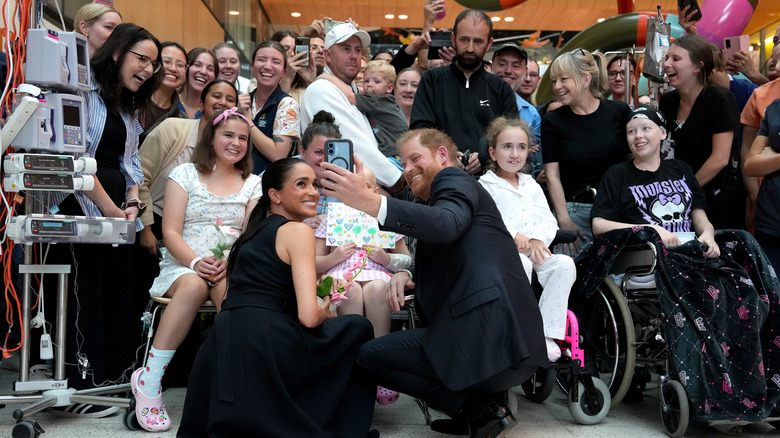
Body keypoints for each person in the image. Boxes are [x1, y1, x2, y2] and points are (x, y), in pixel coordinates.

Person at [320, 128, 547, 438]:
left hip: (488, 338)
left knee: (369, 356)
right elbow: (451, 245)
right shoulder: (444, 199)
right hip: (503, 342)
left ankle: (477, 409)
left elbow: (447, 225)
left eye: (416, 159)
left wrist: (371, 203)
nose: (409, 169)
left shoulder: (452, 180)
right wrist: (405, 275)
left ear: (442, 155)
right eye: (404, 164)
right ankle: (477, 410)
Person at [178, 158, 376, 437]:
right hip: (266, 340)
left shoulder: (250, 235)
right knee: (358, 328)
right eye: (301, 184)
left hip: (221, 342)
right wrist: (326, 310)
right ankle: (336, 423)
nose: (313, 192)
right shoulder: (298, 230)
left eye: (315, 184)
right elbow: (308, 317)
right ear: (275, 195)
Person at [45, 23, 161, 414]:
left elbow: (131, 164)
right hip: (77, 201)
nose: (147, 69)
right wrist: (111, 210)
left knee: (117, 291)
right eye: (141, 58)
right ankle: (82, 385)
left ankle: (112, 381)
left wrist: (131, 204)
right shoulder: (78, 89)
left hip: (115, 205)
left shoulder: (128, 104)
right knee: (84, 293)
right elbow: (73, 156)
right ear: (116, 53)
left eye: (153, 64)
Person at [131, 108, 261, 432]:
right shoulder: (184, 174)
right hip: (184, 261)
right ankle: (150, 380)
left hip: (229, 263)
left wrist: (228, 261)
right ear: (211, 138)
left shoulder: (254, 183)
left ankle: (231, 385)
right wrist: (194, 262)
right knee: (193, 286)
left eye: (243, 138)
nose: (236, 142)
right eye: (228, 135)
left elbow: (249, 234)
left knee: (232, 296)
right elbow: (171, 231)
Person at [479, 116, 574, 363]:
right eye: (507, 147)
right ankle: (520, 331)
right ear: (493, 152)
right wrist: (516, 236)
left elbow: (547, 220)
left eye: (521, 147)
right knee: (521, 264)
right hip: (502, 254)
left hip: (534, 249)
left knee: (564, 264)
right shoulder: (485, 186)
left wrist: (537, 239)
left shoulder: (531, 184)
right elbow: (488, 222)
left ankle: (546, 334)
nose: (514, 154)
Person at [591, 106, 719, 257]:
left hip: (687, 251)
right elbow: (598, 225)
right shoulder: (617, 175)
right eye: (631, 131)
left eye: (646, 128)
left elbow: (700, 218)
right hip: (644, 257)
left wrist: (708, 234)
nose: (638, 136)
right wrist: (650, 229)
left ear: (663, 133)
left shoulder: (681, 169)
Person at [541, 48, 631, 251]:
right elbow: (552, 175)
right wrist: (563, 220)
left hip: (618, 211)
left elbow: (634, 162)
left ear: (585, 79)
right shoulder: (552, 121)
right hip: (575, 211)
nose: (557, 87)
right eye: (554, 81)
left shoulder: (619, 112)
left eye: (564, 79)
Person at [411, 9, 519, 174]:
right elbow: (419, 130)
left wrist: (485, 156)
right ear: (453, 39)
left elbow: (512, 138)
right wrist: (448, 153)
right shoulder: (432, 80)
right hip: (440, 178)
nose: (469, 48)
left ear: (489, 44)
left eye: (478, 42)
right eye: (464, 40)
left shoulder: (501, 89)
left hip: (490, 182)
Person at [138, 80, 239, 256]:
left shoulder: (232, 148)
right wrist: (145, 228)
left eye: (230, 99)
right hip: (154, 224)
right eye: (216, 96)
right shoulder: (172, 129)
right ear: (201, 103)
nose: (223, 102)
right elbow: (139, 175)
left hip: (199, 236)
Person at [301, 22, 403, 190]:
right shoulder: (321, 89)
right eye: (346, 49)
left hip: (365, 188)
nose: (354, 55)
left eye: (357, 50)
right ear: (327, 55)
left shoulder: (353, 89)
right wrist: (396, 179)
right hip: (340, 194)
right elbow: (352, 145)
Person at [659, 34, 743, 230]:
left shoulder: (720, 100)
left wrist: (684, 190)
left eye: (676, 59)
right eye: (667, 58)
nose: (667, 64)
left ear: (697, 67)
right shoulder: (668, 101)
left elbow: (720, 159)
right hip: (676, 203)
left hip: (717, 202)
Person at [237, 40, 300, 175]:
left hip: (269, 186)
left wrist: (248, 122)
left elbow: (278, 154)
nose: (268, 66)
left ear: (283, 72)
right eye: (262, 60)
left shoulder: (287, 104)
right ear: (252, 67)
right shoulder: (243, 102)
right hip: (237, 181)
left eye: (276, 62)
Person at [491, 44, 542, 173]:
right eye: (502, 64)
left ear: (524, 72)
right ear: (491, 67)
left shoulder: (532, 114)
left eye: (515, 66)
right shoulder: (474, 101)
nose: (508, 70)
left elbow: (531, 156)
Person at [742, 98, 780, 270]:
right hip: (771, 220)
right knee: (772, 290)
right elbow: (750, 166)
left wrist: (771, 157)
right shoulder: (775, 108)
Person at [138, 41, 188, 144]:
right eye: (167, 61)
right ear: (154, 64)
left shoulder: (182, 120)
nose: (173, 68)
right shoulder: (132, 98)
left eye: (180, 65)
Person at [179, 48, 218, 119]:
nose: (203, 71)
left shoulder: (215, 111)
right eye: (197, 65)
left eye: (210, 69)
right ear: (186, 68)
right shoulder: (169, 102)